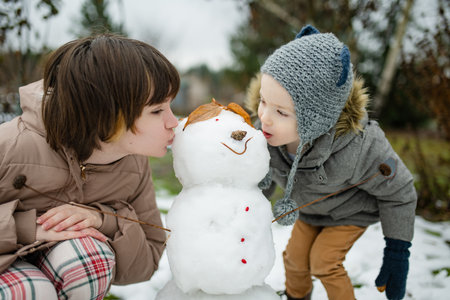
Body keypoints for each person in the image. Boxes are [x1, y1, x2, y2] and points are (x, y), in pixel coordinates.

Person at [0, 34, 180, 299]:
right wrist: (27, 228)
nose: (173, 122)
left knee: (87, 262)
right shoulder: (11, 145)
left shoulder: (134, 161)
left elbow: (147, 261)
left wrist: (102, 220)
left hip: (59, 266)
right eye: (156, 111)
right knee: (29, 290)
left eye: (170, 107)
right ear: (104, 112)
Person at [245, 25, 417, 300]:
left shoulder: (362, 144)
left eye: (281, 111)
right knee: (295, 260)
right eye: (263, 101)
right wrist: (243, 218)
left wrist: (398, 250)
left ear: (316, 119)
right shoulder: (266, 134)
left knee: (324, 262)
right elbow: (258, 183)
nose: (264, 117)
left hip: (350, 213)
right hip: (312, 211)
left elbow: (401, 191)